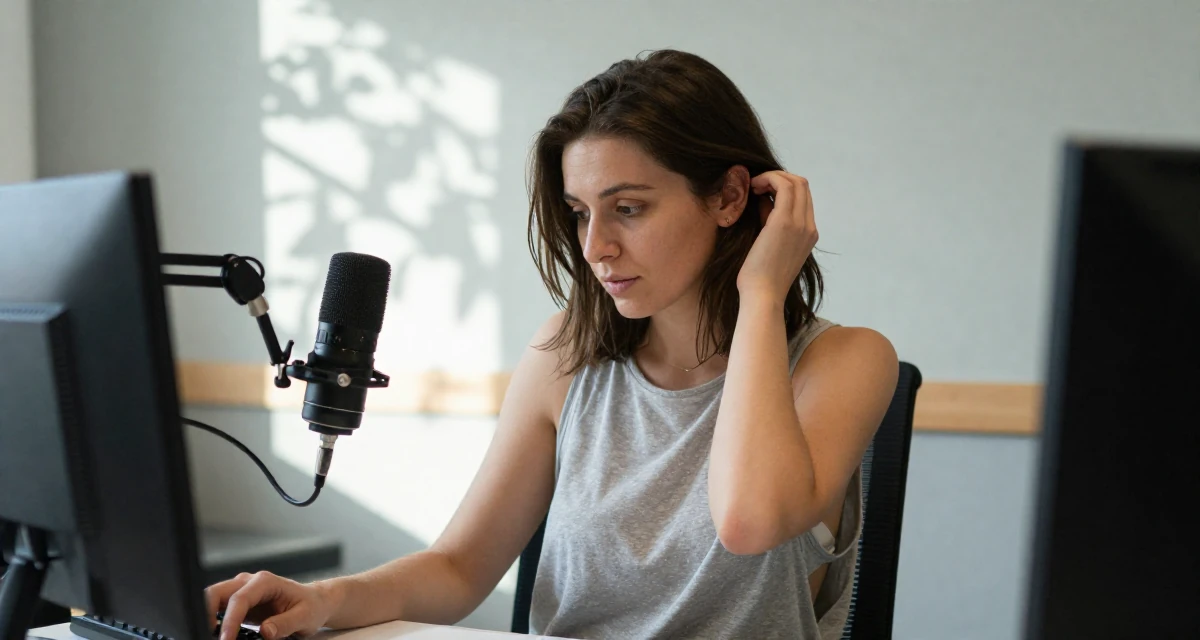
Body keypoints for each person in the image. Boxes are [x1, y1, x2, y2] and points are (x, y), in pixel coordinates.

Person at [206, 49, 898, 640]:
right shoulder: (566, 353)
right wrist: (324, 601)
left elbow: (750, 521)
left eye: (629, 208)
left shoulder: (845, 361)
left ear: (729, 199)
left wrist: (760, 294)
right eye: (579, 214)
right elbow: (458, 568)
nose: (596, 247)